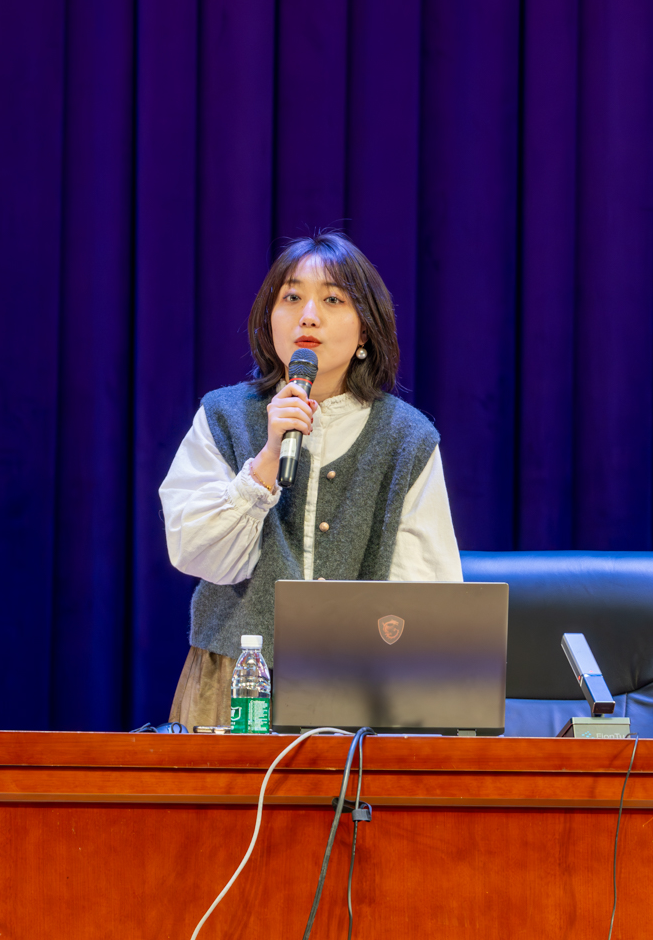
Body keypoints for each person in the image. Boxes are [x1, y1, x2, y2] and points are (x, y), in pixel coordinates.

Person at [161, 232, 461, 730]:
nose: (308, 316)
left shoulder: (407, 438)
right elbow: (195, 551)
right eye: (292, 297)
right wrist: (266, 461)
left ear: (365, 331)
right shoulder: (222, 416)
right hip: (233, 683)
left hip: (361, 691)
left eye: (333, 300)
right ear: (269, 321)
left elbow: (428, 594)